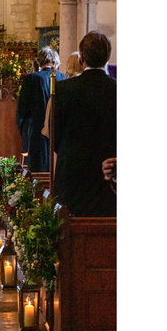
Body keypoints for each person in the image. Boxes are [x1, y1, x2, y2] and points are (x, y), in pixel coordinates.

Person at [53, 31, 117, 217]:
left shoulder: (63, 90)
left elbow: (55, 137)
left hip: (72, 176)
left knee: (71, 235)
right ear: (107, 57)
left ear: (81, 58)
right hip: (108, 178)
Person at [16, 47, 66, 172]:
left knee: (38, 173)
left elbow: (22, 111)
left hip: (36, 133)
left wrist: (25, 133)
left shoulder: (30, 79)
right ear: (55, 61)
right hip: (58, 134)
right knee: (55, 171)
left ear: (39, 61)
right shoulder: (63, 78)